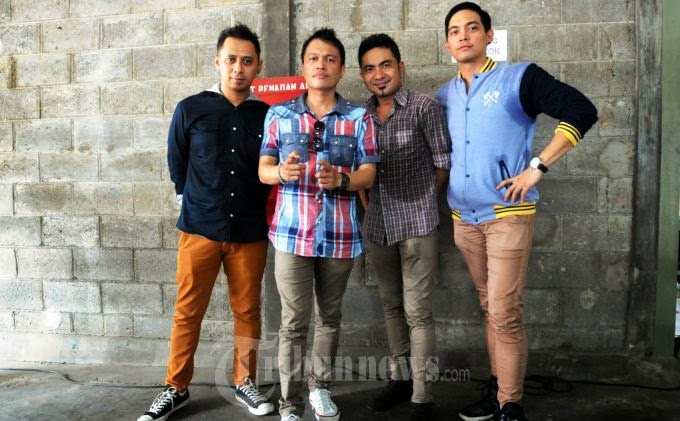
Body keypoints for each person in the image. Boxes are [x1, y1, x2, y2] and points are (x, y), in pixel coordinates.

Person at [436, 3, 598, 421]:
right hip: (464, 220)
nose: (464, 35)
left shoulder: (519, 77)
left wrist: (537, 167)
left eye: (473, 27)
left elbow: (582, 110)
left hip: (507, 215)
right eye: (455, 31)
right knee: (490, 307)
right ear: (448, 44)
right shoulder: (444, 96)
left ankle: (510, 404)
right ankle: (497, 391)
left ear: (489, 35)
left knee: (505, 312)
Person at [137, 24, 275, 421]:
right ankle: (175, 387)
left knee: (247, 310)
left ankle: (245, 382)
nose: (238, 68)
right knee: (187, 311)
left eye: (247, 61)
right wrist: (191, 201)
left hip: (248, 231)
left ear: (258, 66)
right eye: (231, 59)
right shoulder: (191, 108)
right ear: (217, 61)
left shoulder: (267, 115)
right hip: (199, 228)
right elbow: (177, 161)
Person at [258, 28, 379, 421]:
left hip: (339, 236)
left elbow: (369, 173)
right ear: (303, 66)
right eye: (314, 58)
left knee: (329, 317)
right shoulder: (280, 114)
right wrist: (282, 173)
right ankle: (289, 404)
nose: (321, 65)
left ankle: (319, 389)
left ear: (341, 69)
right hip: (291, 235)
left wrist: (342, 180)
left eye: (330, 59)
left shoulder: (359, 117)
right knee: (293, 323)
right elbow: (263, 170)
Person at [357, 33, 451, 420]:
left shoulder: (424, 108)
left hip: (416, 224)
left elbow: (442, 164)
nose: (378, 74)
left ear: (400, 66)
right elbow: (361, 171)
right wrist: (369, 205)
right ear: (362, 75)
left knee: (418, 313)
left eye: (385, 65)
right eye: (369, 68)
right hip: (377, 226)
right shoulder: (361, 116)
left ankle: (422, 397)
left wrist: (422, 202)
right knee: (391, 306)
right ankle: (399, 379)